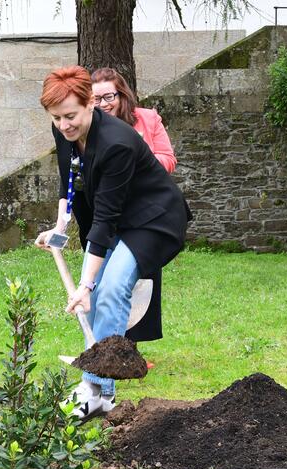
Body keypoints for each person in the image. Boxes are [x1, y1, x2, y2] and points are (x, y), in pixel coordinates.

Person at [35, 66, 190, 419]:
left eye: (70, 116)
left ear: (90, 103)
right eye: (56, 118)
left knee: (110, 288)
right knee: (95, 297)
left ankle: (94, 389)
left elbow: (104, 220)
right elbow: (68, 177)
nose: (64, 125)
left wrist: (86, 284)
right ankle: (102, 393)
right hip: (120, 217)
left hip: (153, 218)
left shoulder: (116, 143)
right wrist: (60, 226)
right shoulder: (65, 129)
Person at [90, 67, 177, 349]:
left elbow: (168, 159)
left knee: (136, 284)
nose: (104, 104)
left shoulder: (147, 119)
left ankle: (127, 350)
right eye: (96, 99)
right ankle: (101, 351)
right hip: (111, 214)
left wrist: (137, 159)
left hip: (145, 215)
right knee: (100, 286)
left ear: (122, 95)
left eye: (109, 96)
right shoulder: (89, 130)